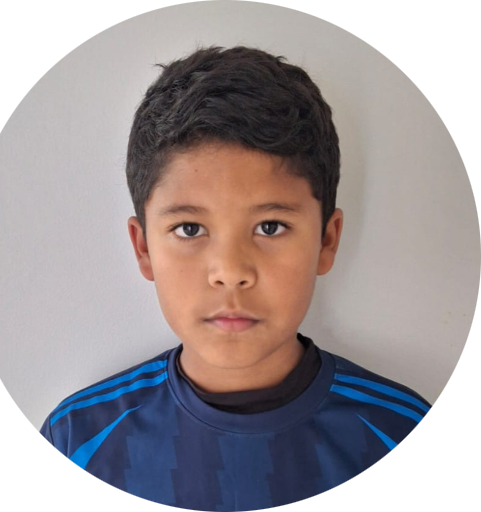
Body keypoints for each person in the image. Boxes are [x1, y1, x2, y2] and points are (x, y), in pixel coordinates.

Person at [40, 46, 431, 508]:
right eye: (189, 229)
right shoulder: (78, 440)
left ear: (327, 240)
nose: (230, 272)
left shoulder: (397, 430)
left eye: (271, 227)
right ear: (143, 247)